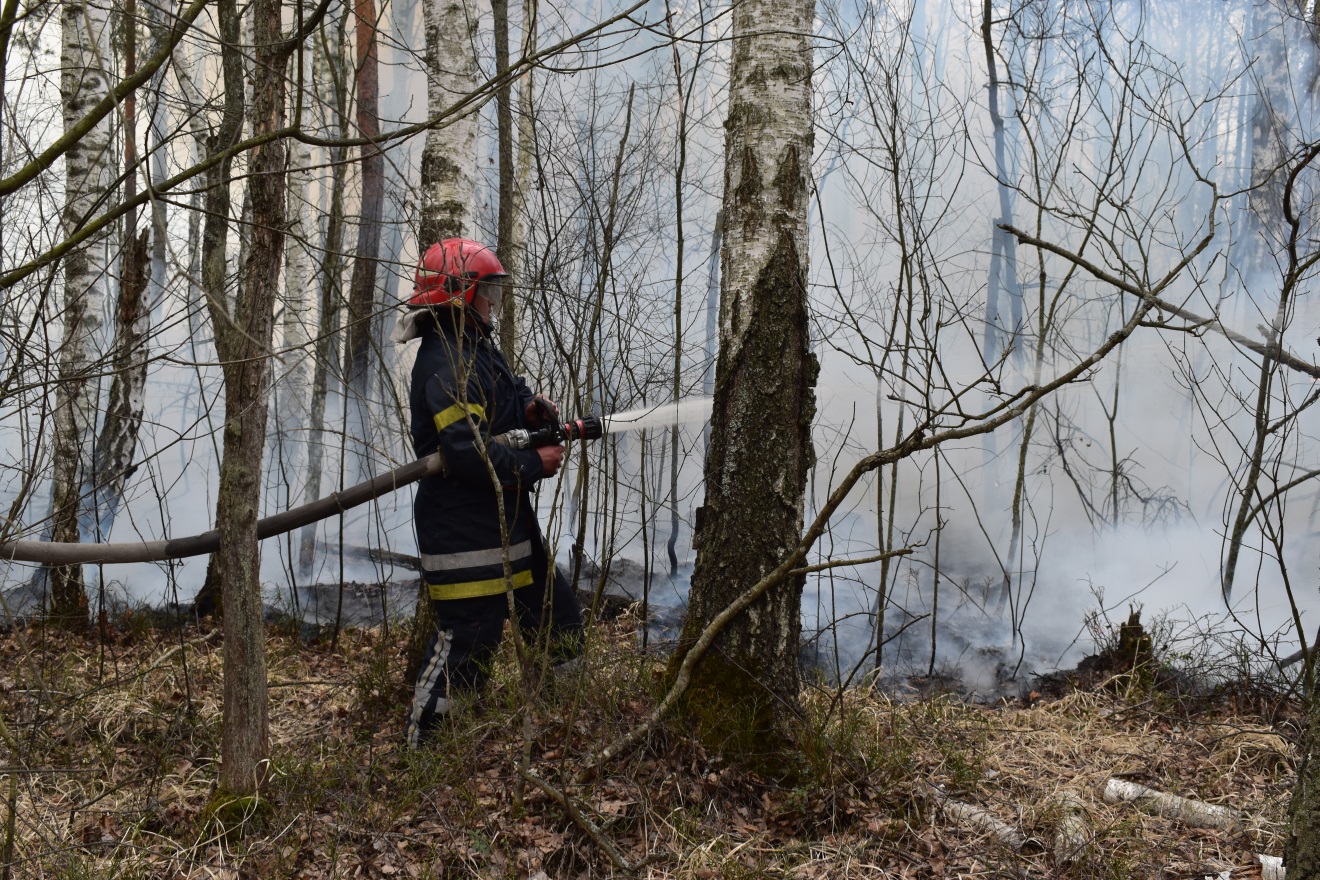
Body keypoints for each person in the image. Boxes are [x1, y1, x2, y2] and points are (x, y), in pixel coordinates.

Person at [394, 237, 584, 748]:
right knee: (470, 640)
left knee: (556, 618)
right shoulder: (444, 363)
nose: (494, 303)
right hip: (463, 535)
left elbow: (507, 386)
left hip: (507, 528)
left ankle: (565, 729)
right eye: (488, 291)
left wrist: (529, 408)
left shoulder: (474, 343)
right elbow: (466, 450)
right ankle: (425, 751)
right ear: (460, 294)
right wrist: (533, 464)